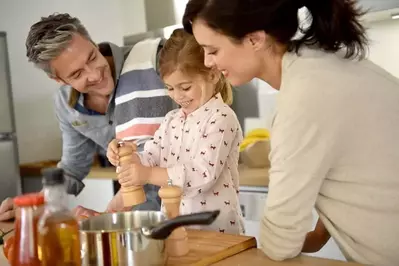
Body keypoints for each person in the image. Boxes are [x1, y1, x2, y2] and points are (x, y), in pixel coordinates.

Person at [182, 0, 399, 265]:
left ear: (254, 39)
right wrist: (320, 233)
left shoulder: (305, 97)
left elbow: (279, 245)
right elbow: (359, 166)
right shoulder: (323, 63)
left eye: (212, 50)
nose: (207, 62)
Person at [0, 13, 175, 221]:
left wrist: (111, 211)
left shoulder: (155, 62)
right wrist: (35, 204)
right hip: (141, 217)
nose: (94, 75)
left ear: (93, 42)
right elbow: (73, 168)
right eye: (76, 74)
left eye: (92, 57)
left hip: (190, 205)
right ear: (57, 79)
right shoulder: (66, 105)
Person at [107, 29, 245, 235]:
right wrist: (130, 156)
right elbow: (152, 156)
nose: (178, 96)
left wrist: (147, 174)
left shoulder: (221, 118)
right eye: (170, 88)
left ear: (213, 75)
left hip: (217, 230)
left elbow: (202, 175)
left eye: (185, 87)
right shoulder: (172, 119)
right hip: (176, 227)